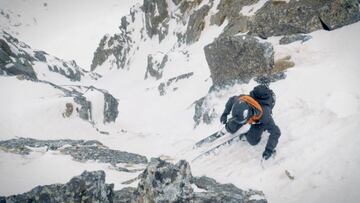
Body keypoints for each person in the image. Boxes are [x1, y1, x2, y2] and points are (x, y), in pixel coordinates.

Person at [220, 84, 281, 160]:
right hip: (249, 110)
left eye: (244, 121)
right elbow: (231, 99)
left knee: (252, 140)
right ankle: (230, 126)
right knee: (232, 126)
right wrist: (225, 114)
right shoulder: (241, 99)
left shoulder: (264, 116)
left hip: (259, 120)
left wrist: (269, 150)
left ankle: (249, 134)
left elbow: (276, 132)